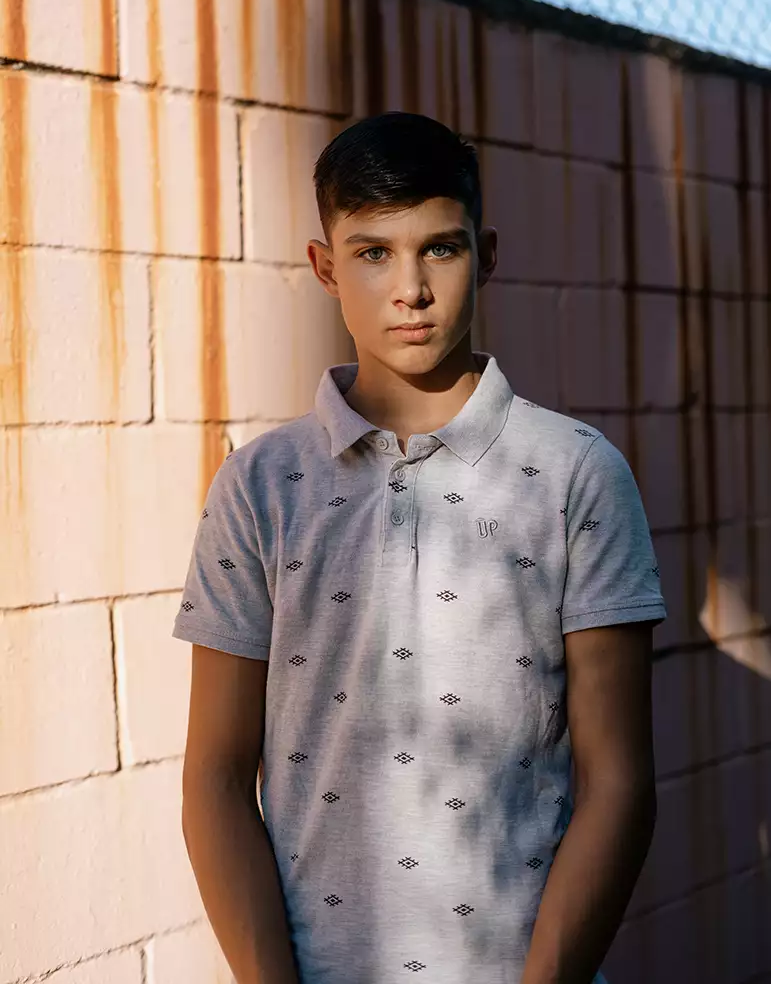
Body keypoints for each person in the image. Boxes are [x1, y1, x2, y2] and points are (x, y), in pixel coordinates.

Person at [173, 111, 666, 984]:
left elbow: (619, 781)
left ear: (486, 254)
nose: (410, 289)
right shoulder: (259, 485)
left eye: (440, 248)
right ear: (325, 266)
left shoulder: (575, 472)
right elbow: (214, 777)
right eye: (373, 252)